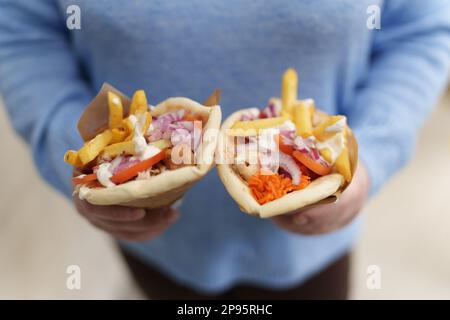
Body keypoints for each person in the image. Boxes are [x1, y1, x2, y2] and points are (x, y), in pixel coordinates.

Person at [0, 0, 449, 299]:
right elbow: (23, 33)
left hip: (312, 255)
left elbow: (423, 31)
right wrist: (82, 162)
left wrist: (368, 157)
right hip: (157, 253)